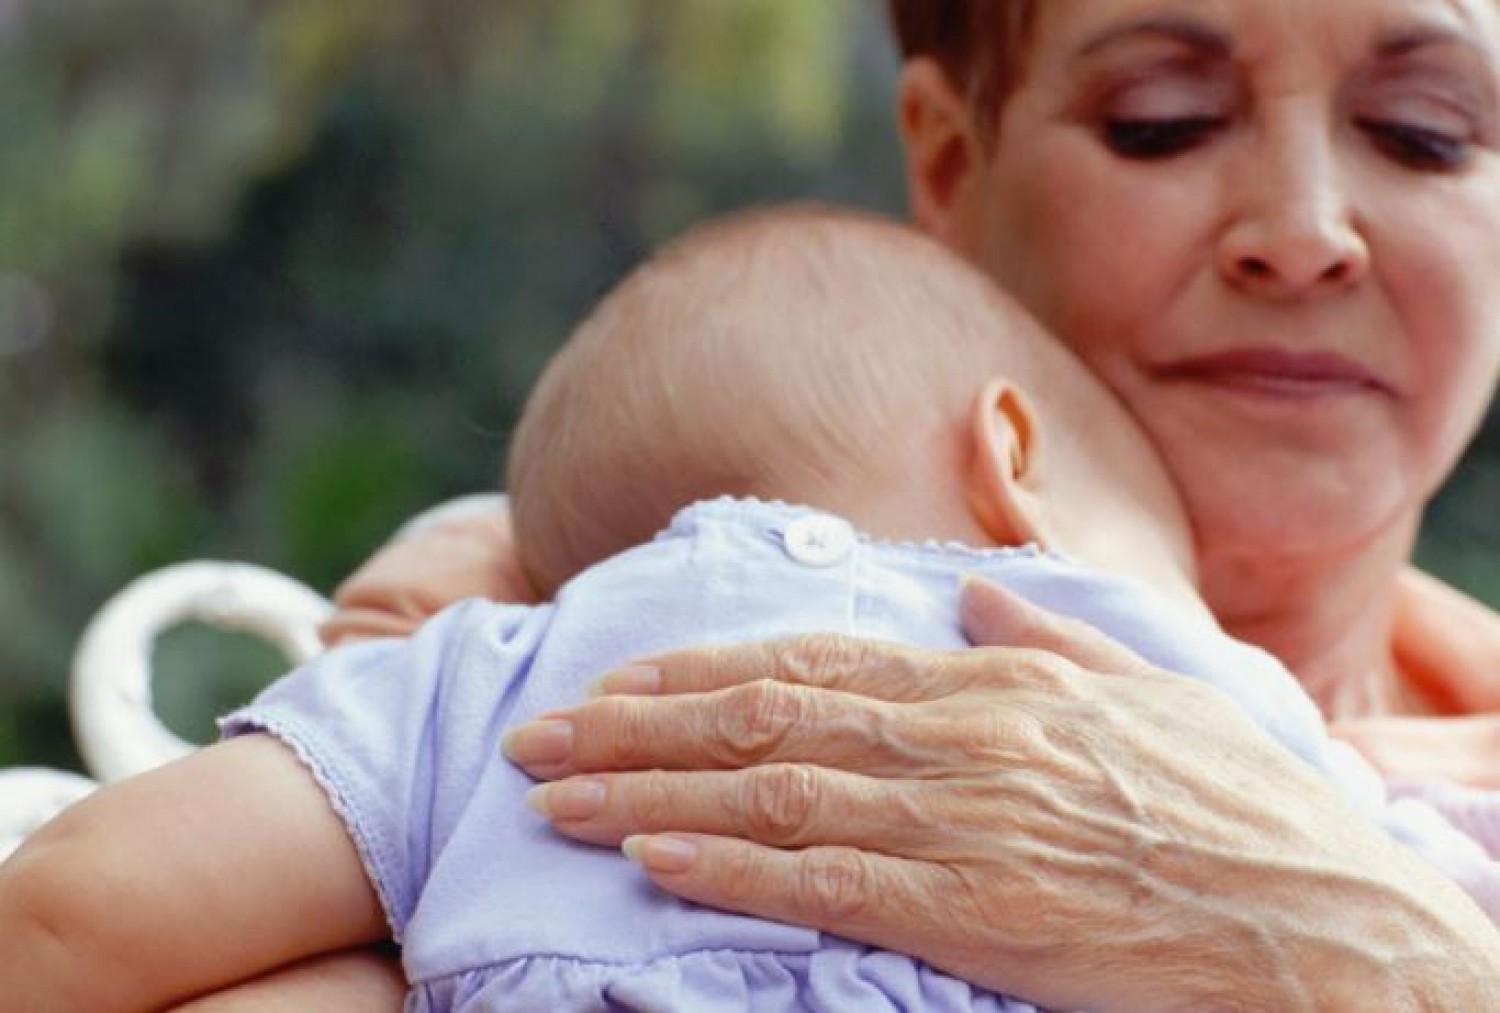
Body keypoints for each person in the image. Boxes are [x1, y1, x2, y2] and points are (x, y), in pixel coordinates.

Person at [126, 0, 1500, 1008]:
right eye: (1163, 121)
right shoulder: (563, 643)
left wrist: (1380, 949)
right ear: (952, 163)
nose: (1306, 229)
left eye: (1424, 134)